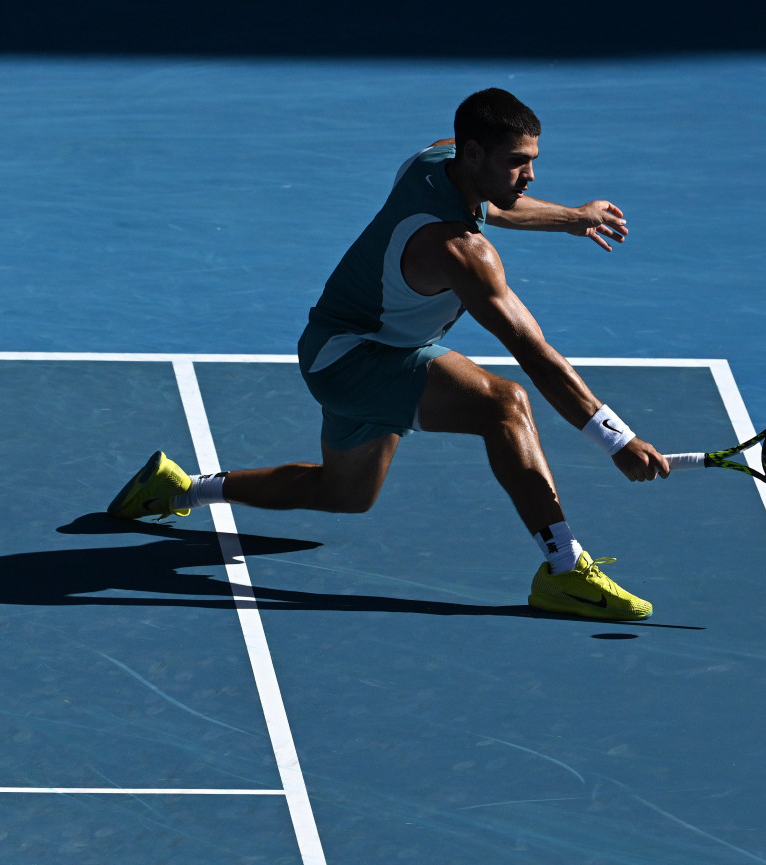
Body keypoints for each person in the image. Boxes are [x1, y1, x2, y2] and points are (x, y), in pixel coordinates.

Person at [108, 88, 670, 621]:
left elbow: (494, 205)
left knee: (344, 494)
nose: (530, 175)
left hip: (335, 350)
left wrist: (575, 217)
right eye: (517, 161)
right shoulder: (463, 255)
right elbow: (532, 350)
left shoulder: (434, 159)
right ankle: (565, 569)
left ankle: (184, 488)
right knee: (506, 406)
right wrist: (616, 439)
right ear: (473, 152)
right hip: (356, 360)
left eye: (532, 159)